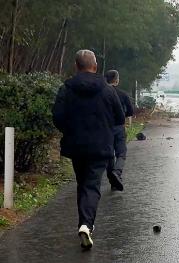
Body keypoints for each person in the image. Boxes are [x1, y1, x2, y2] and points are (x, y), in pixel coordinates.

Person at [52, 50, 125, 249]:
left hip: (76, 145)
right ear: (95, 66)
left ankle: (84, 222)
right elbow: (119, 118)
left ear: (76, 66)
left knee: (82, 183)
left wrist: (71, 130)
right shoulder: (108, 90)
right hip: (100, 146)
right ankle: (86, 224)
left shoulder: (66, 88)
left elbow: (57, 116)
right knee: (92, 185)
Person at [104, 70, 134, 191]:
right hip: (119, 127)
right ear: (117, 80)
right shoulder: (123, 94)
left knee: (109, 154)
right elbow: (131, 112)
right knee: (121, 153)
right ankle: (117, 172)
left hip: (105, 128)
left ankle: (113, 181)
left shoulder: (101, 94)